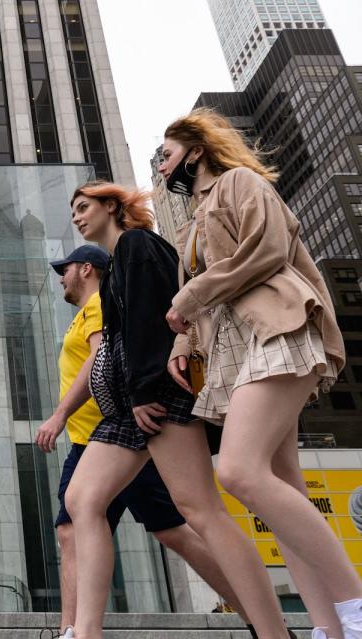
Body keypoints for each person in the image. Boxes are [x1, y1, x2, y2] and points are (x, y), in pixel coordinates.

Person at [62, 180, 299, 639]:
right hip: (127, 407)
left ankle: (272, 632)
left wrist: (143, 391)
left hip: (156, 395)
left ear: (112, 206)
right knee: (82, 499)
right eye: (73, 210)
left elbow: (156, 320)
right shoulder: (115, 268)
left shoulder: (138, 245)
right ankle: (86, 632)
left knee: (200, 510)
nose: (76, 216)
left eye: (83, 206)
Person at [160, 108, 361, 639]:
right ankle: (328, 630)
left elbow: (267, 251)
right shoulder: (190, 224)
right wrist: (183, 341)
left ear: (195, 150)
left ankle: (356, 607)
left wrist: (189, 296)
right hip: (238, 350)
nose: (161, 167)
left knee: (239, 470)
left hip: (280, 325)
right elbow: (202, 304)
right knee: (281, 491)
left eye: (167, 154)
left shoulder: (240, 183)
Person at [36, 245, 250, 639]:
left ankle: (257, 612)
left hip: (117, 434)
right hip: (99, 437)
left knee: (173, 528)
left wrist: (59, 414)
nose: (60, 278)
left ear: (87, 269)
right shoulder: (83, 315)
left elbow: (100, 359)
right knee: (102, 526)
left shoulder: (100, 306)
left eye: (63, 269)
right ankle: (74, 630)